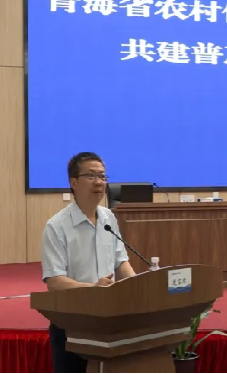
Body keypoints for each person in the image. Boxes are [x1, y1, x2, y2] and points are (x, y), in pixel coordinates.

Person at [40, 152, 136, 373]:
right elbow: (54, 281)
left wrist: (139, 287)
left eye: (102, 176)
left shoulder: (109, 218)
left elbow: (121, 263)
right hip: (72, 323)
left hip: (108, 320)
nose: (99, 182)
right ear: (73, 182)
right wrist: (93, 289)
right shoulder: (57, 226)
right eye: (91, 176)